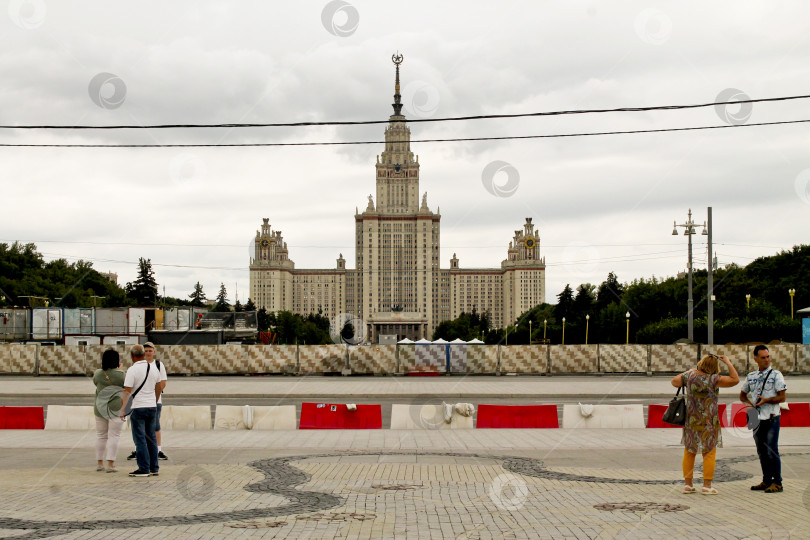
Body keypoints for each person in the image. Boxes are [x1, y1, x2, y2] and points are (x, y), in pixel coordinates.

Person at [671, 353, 739, 495]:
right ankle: (707, 486)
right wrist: (728, 362)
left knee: (690, 451)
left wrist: (689, 371)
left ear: (700, 364)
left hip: (691, 421)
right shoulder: (714, 379)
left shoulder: (689, 377)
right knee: (709, 452)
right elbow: (735, 380)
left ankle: (688, 485)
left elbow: (674, 382)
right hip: (709, 422)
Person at [740, 344, 787, 493]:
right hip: (755, 416)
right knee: (761, 450)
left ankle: (777, 482)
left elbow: (782, 397)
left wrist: (766, 400)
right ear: (756, 359)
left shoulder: (776, 375)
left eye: (768, 357)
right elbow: (742, 394)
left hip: (771, 416)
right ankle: (766, 480)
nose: (766, 360)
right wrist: (749, 405)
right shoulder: (751, 376)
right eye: (763, 357)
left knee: (772, 449)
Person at [119, 344, 162, 477]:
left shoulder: (132, 370)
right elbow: (159, 387)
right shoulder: (154, 368)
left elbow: (127, 391)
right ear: (144, 354)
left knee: (140, 439)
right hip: (152, 407)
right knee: (151, 438)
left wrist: (122, 409)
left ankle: (143, 468)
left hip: (138, 408)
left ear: (132, 356)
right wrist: (153, 401)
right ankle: (154, 467)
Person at [127, 342, 168, 461]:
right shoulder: (137, 366)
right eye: (146, 351)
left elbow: (162, 384)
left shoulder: (158, 365)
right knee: (141, 429)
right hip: (140, 402)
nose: (148, 353)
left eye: (150, 351)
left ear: (154, 352)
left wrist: (153, 398)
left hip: (154, 402)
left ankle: (158, 450)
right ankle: (139, 450)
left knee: (155, 427)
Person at [92, 349, 126, 473]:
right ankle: (111, 464)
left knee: (101, 436)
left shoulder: (98, 373)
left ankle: (99, 463)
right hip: (116, 408)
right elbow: (126, 386)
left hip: (100, 408)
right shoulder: (121, 374)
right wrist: (119, 369)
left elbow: (96, 383)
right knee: (114, 436)